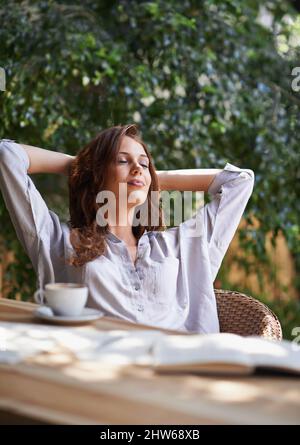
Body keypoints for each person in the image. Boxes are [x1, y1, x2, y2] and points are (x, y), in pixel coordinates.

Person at [0, 124, 254, 333]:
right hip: (103, 376)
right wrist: (82, 167)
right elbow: (7, 156)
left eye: (144, 164)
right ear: (97, 175)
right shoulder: (60, 242)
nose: (137, 169)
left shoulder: (180, 244)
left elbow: (238, 182)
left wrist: (152, 178)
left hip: (182, 373)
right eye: (122, 160)